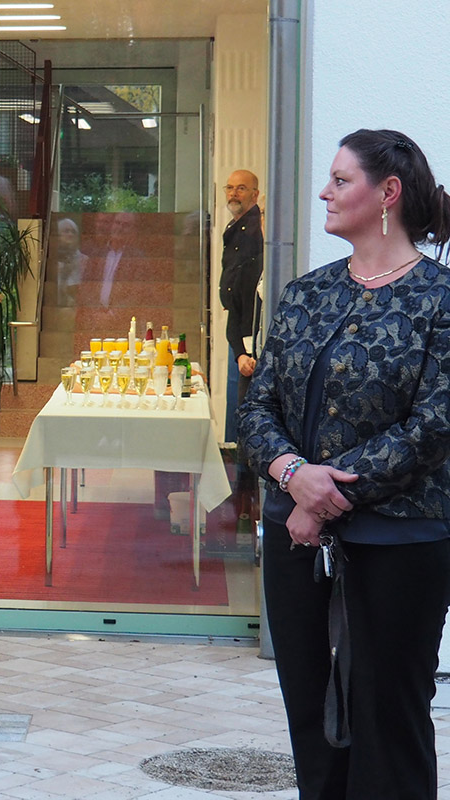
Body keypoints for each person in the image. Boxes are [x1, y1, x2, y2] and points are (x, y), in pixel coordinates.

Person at [240, 129, 450, 799]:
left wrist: (322, 497)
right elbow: (256, 407)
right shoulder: (305, 294)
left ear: (387, 193)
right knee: (311, 714)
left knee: (388, 714)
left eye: (340, 180)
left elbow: (434, 424)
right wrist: (290, 475)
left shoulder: (440, 301)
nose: (324, 192)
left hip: (401, 541)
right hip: (295, 540)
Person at [219, 169, 264, 438]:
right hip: (237, 327)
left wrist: (245, 350)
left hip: (249, 332)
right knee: (234, 404)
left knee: (242, 411)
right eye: (230, 187)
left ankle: (239, 476)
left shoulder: (254, 230)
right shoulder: (236, 226)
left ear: (255, 194)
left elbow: (248, 290)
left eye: (242, 188)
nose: (234, 193)